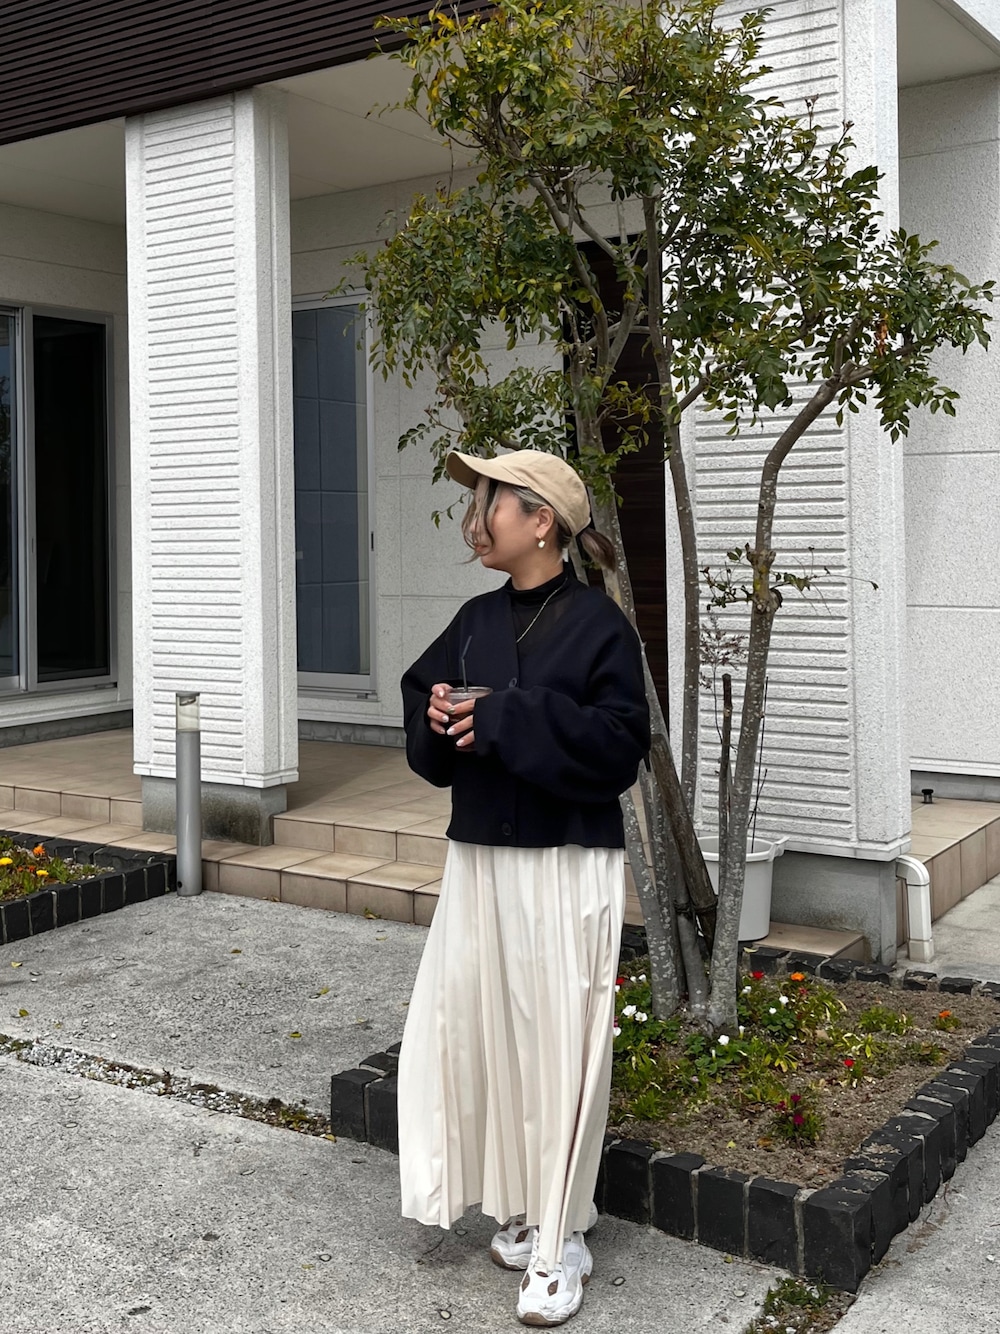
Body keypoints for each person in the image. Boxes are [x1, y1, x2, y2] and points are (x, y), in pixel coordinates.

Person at [397, 448, 650, 1328]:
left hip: (564, 862)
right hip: (480, 859)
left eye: (491, 504)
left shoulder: (598, 626)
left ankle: (562, 1236)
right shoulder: (473, 619)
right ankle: (523, 1202)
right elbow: (423, 702)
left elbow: (620, 746)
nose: (476, 520)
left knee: (560, 1048)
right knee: (481, 1032)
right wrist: (437, 716)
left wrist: (505, 715)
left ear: (542, 521)